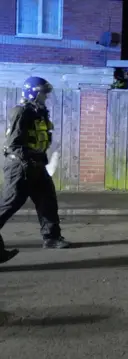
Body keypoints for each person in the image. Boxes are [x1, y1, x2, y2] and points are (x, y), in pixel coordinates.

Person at [0, 76, 70, 264]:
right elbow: (12, 144)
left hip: (36, 164)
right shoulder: (21, 112)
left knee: (47, 200)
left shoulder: (39, 112)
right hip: (20, 166)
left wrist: (41, 161)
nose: (46, 97)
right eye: (43, 93)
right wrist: (26, 163)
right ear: (33, 92)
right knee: (10, 204)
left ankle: (52, 238)